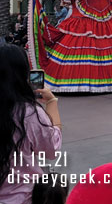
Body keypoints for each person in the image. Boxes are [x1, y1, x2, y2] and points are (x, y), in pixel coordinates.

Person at [0, 44, 63, 203]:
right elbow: (51, 150)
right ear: (23, 75)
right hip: (24, 197)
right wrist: (51, 102)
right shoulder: (27, 113)